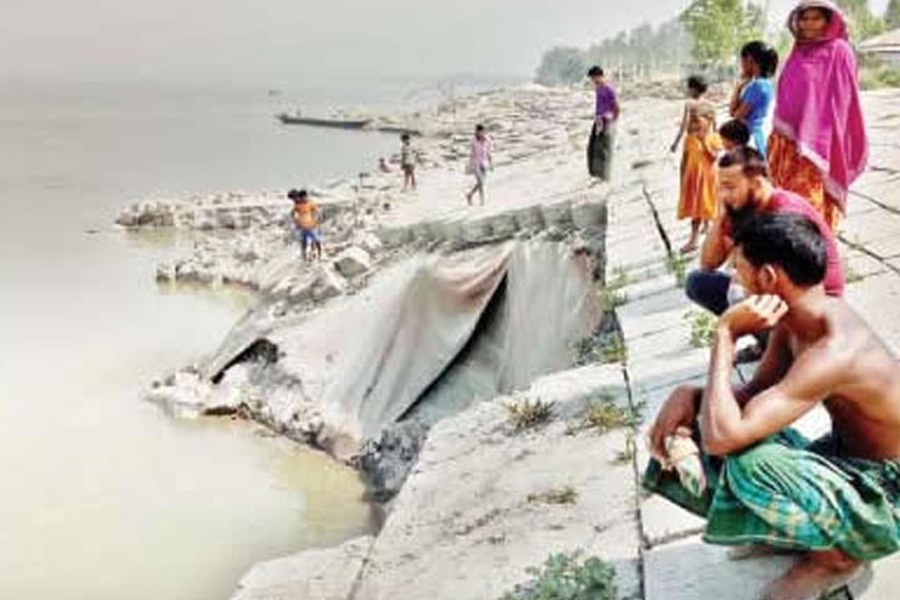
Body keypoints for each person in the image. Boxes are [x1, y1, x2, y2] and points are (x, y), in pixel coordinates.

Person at [645, 212, 900, 600]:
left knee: (750, 462)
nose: (735, 283)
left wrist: (725, 335)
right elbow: (752, 396)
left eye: (739, 272)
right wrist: (688, 396)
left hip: (885, 494)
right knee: (709, 420)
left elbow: (723, 439)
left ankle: (837, 557)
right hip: (844, 459)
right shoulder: (795, 322)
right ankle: (803, 532)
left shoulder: (834, 350)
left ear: (767, 278)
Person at [686, 147, 844, 320]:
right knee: (698, 282)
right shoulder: (744, 206)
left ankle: (770, 340)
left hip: (813, 303)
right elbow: (709, 263)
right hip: (772, 290)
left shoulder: (785, 211)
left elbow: (788, 284)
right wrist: (721, 216)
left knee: (739, 296)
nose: (723, 195)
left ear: (757, 183)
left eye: (730, 187)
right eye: (721, 188)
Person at [768, 0, 868, 230]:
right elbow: (787, 94)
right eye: (805, 18)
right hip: (787, 143)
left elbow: (844, 98)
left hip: (820, 145)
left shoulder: (840, 51)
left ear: (828, 20)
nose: (809, 24)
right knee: (785, 204)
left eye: (816, 18)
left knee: (809, 208)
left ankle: (819, 255)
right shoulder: (797, 51)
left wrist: (820, 137)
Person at [670, 75, 722, 255]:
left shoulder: (690, 104)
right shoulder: (711, 106)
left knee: (695, 192)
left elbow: (684, 126)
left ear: (692, 89)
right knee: (706, 189)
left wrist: (675, 143)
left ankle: (693, 240)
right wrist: (713, 149)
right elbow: (715, 129)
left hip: (694, 150)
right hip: (709, 150)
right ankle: (706, 225)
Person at [729, 41, 778, 158]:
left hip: (749, 139)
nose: (741, 65)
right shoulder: (766, 84)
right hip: (757, 138)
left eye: (742, 60)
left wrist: (738, 87)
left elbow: (735, 115)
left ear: (750, 60)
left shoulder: (757, 86)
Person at [586, 65, 620, 182]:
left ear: (599, 76)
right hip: (599, 121)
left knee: (604, 148)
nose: (593, 81)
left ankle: (605, 175)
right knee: (592, 148)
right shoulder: (598, 89)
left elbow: (616, 107)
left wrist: (613, 121)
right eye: (592, 79)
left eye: (594, 78)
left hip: (606, 121)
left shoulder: (608, 89)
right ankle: (595, 174)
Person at [287, 188, 322, 261]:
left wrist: (316, 220)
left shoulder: (308, 203)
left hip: (311, 224)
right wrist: (296, 222)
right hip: (304, 226)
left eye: (293, 198)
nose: (293, 200)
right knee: (304, 241)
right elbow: (293, 213)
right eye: (292, 199)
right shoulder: (297, 204)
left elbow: (315, 212)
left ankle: (316, 254)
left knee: (314, 239)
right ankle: (304, 256)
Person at [465, 124, 493, 206]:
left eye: (482, 132)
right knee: (480, 181)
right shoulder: (473, 141)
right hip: (475, 163)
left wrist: (491, 163)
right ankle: (482, 200)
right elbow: (472, 154)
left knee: (482, 182)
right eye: (479, 132)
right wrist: (469, 165)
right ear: (477, 132)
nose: (481, 133)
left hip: (483, 163)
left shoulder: (487, 140)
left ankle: (469, 195)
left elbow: (488, 152)